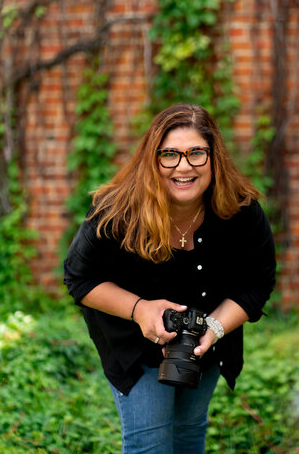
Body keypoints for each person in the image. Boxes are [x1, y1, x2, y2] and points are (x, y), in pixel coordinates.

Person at [63, 103, 276, 454]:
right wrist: (140, 310)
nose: (184, 166)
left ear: (214, 157)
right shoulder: (117, 211)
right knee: (150, 444)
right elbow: (78, 276)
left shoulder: (240, 211)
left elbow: (258, 280)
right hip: (133, 347)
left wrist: (215, 329)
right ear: (153, 159)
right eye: (170, 155)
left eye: (196, 153)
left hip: (204, 342)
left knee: (189, 435)